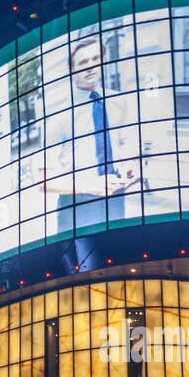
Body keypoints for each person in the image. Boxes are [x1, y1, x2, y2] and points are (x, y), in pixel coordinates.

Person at [42, 37, 143, 236]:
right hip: (77, 203)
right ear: (72, 70)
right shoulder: (58, 116)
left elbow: (127, 145)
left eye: (95, 59)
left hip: (115, 196)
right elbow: (43, 181)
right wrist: (87, 185)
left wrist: (130, 168)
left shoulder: (119, 101)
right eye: (82, 63)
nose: (90, 67)